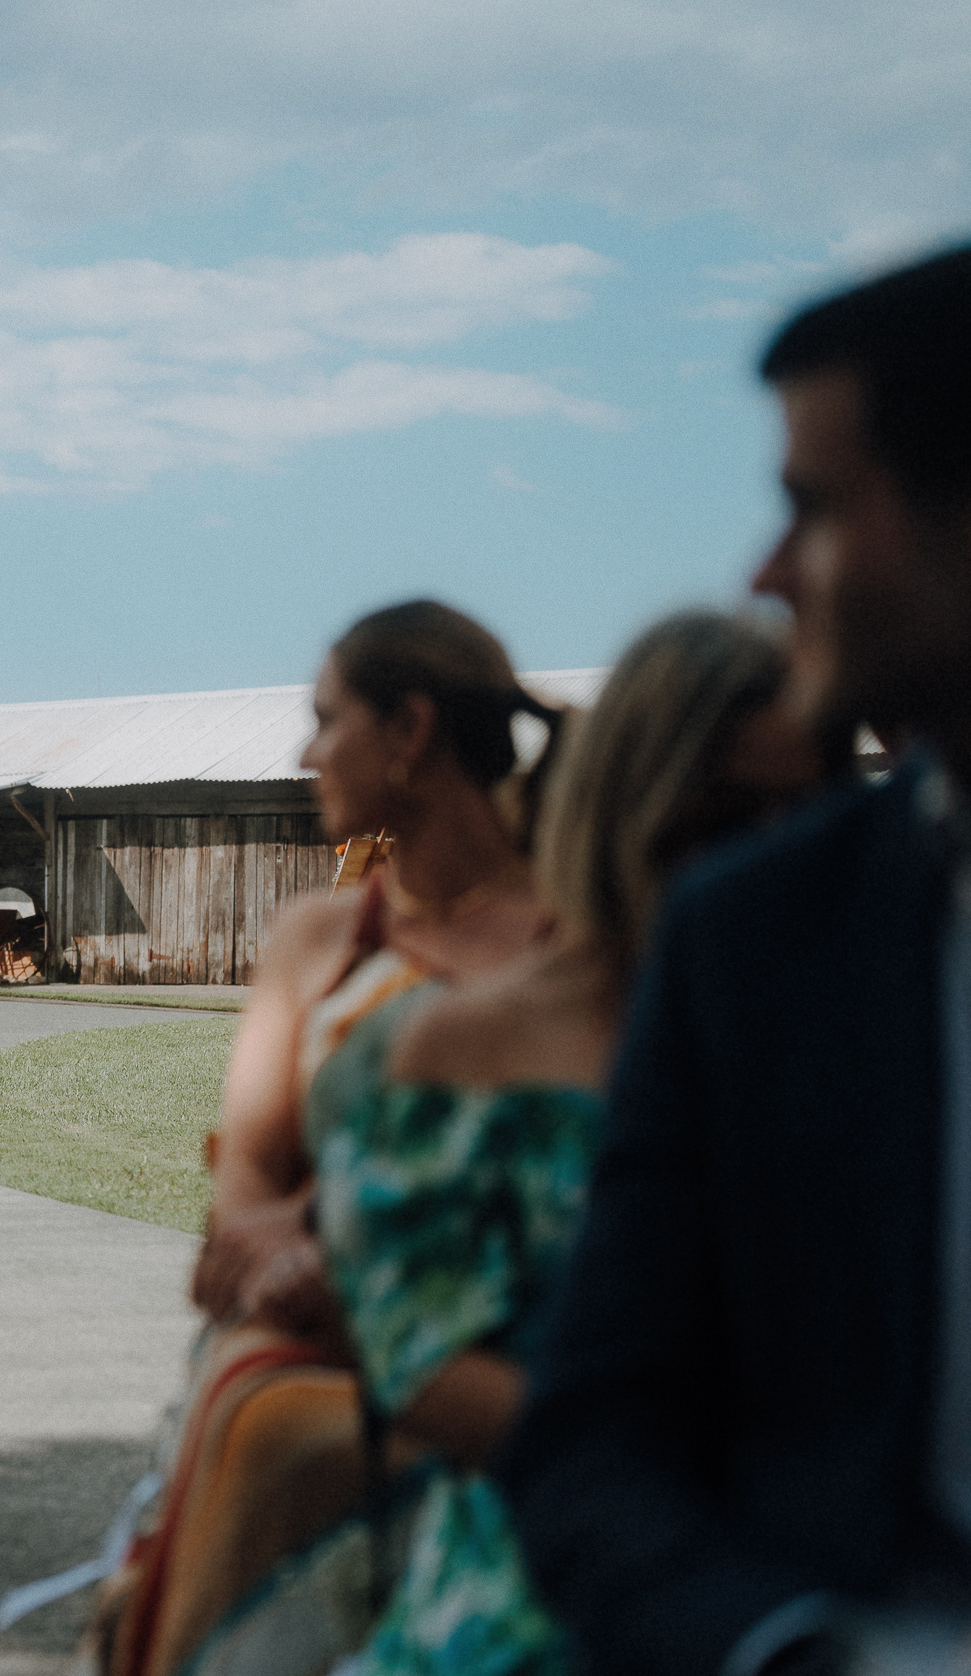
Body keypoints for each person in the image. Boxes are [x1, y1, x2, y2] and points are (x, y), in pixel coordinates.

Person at [505, 230, 971, 1676]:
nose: (766, 569)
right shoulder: (757, 935)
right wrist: (806, 1655)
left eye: (813, 509)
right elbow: (592, 1441)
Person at [301, 611, 818, 1674]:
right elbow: (424, 1366)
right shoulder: (446, 1050)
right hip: (540, 1575)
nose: (772, 859)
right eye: (726, 816)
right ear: (631, 803)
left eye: (811, 818)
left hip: (823, 1552)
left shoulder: (842, 1034)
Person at [95, 600, 559, 1676]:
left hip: (509, 1330)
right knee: (261, 1431)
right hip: (309, 1311)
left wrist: (347, 1238)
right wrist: (291, 1248)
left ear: (410, 730)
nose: (304, 753)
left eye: (324, 718)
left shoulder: (574, 930)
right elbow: (246, 1176)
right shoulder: (320, 939)